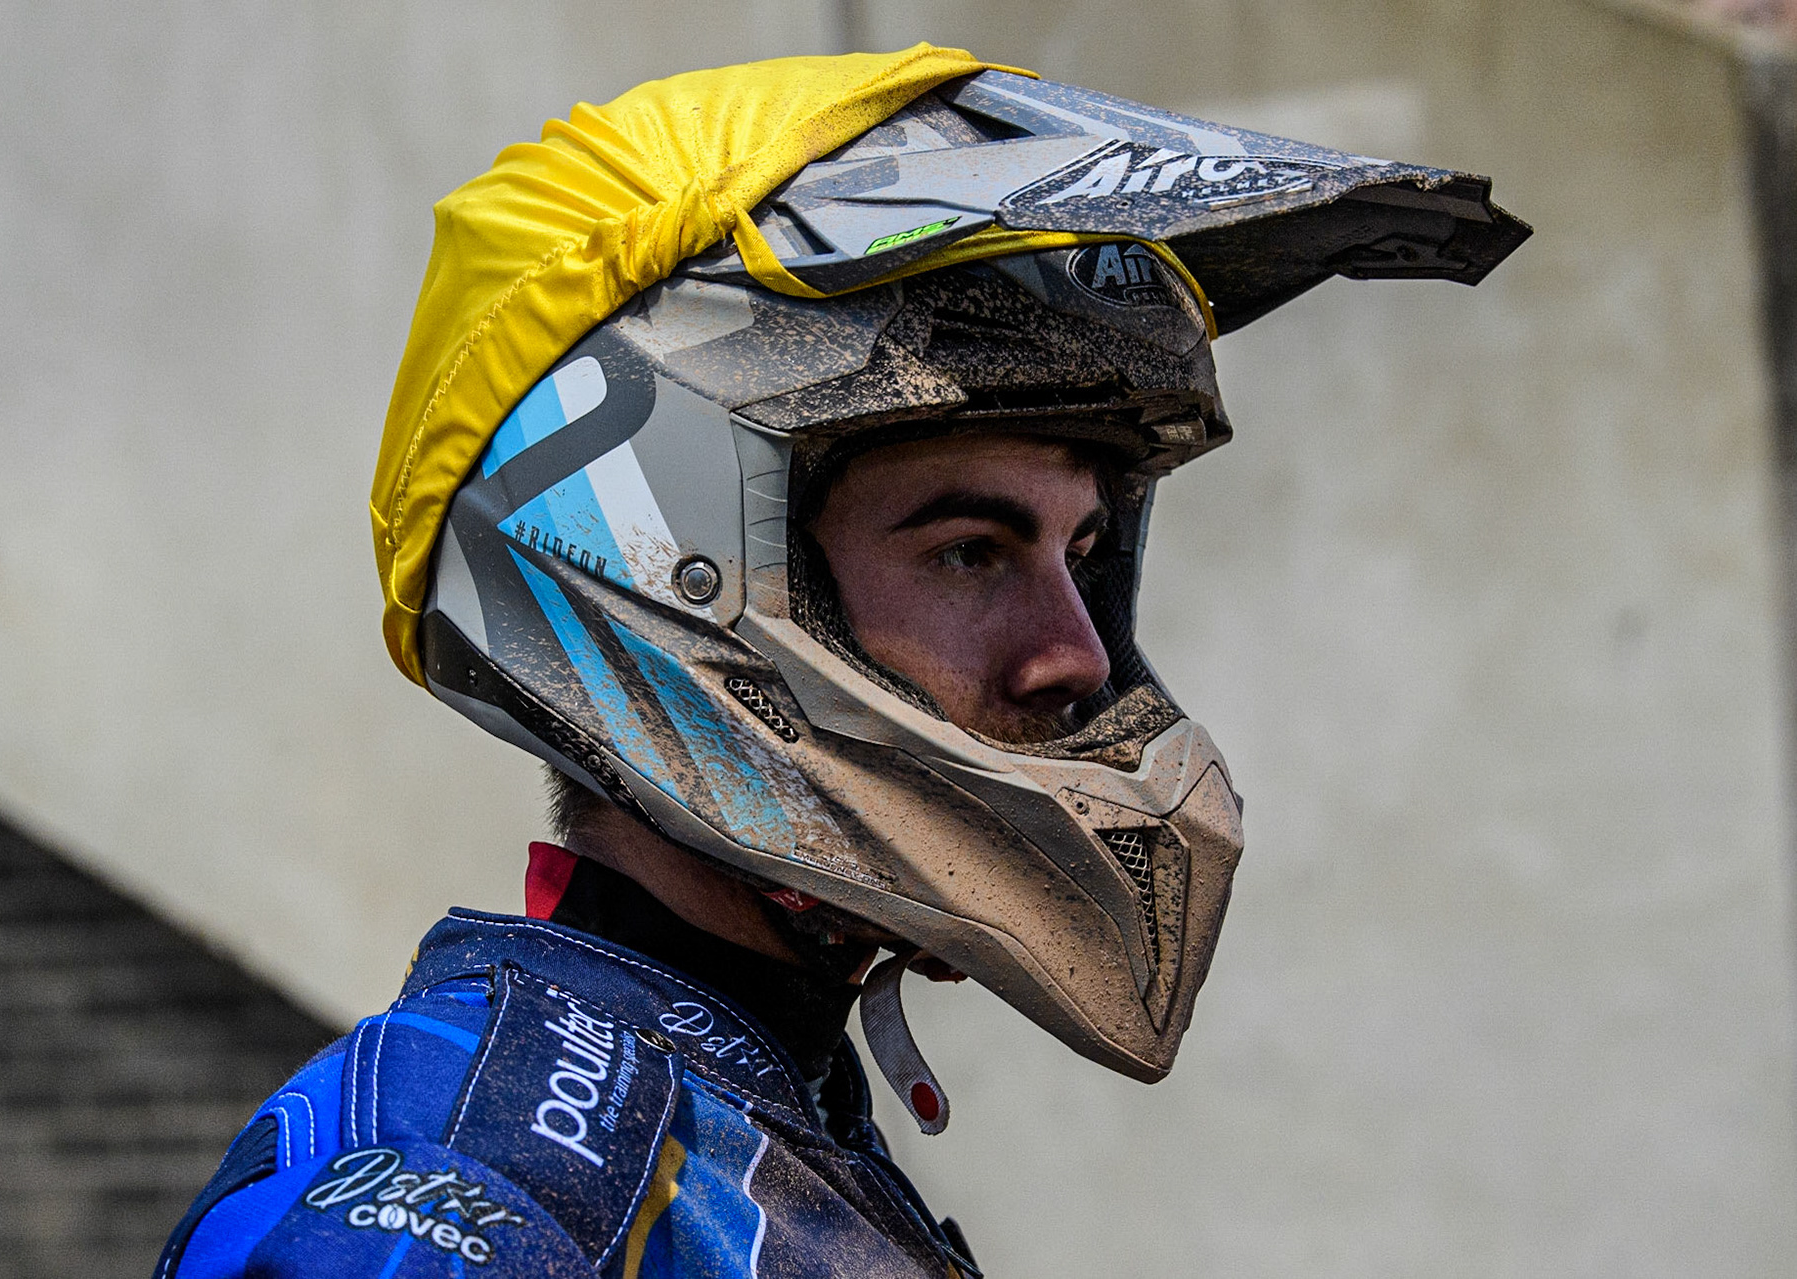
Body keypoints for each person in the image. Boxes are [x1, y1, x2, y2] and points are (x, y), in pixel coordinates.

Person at [158, 46, 1525, 1279]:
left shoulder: (725, 1127)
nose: (1072, 654)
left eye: (1084, 552)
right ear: (673, 567)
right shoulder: (486, 1201)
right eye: (971, 552)